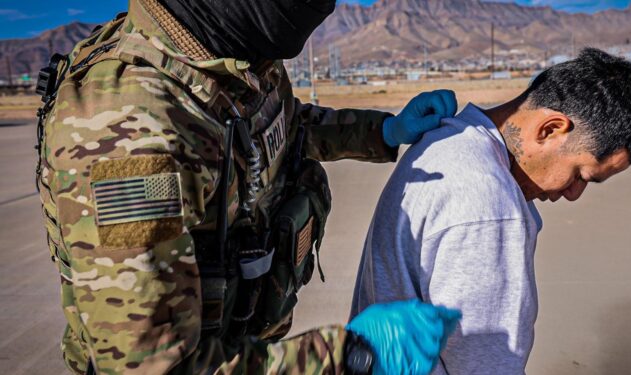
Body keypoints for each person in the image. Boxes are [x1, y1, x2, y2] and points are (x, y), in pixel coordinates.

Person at [34, 0, 461, 374]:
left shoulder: (232, 54)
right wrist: (349, 358)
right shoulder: (130, 134)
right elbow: (153, 369)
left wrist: (384, 130)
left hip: (248, 345)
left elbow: (284, 124)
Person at [350, 48, 631, 374]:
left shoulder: (445, 140)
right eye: (580, 175)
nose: (573, 194)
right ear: (551, 129)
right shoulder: (489, 205)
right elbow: (485, 364)